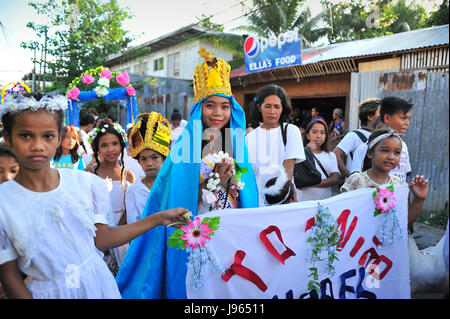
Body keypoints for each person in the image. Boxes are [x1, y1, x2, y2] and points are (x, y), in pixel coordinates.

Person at [0, 92, 190, 299]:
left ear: (59, 137)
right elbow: (9, 274)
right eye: (26, 135)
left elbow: (103, 239)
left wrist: (158, 218)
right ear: (8, 138)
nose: (37, 145)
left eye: (47, 136)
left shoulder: (84, 183)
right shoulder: (4, 202)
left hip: (96, 287)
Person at [115, 47, 259, 299]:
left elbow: (244, 191)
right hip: (196, 226)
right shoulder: (187, 145)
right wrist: (207, 186)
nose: (217, 113)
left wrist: (229, 181)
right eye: (210, 105)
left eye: (225, 106)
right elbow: (179, 195)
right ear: (199, 108)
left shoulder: (235, 141)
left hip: (229, 225)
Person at [341, 130, 428, 228]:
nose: (391, 157)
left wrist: (419, 199)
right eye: (385, 151)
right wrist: (367, 198)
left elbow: (405, 222)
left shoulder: (398, 184)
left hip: (388, 241)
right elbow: (342, 213)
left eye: (397, 153)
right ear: (370, 153)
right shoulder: (357, 180)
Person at [85, 120, 135, 275]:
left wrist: (118, 232)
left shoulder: (128, 175)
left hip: (121, 233)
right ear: (97, 148)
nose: (111, 149)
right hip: (97, 232)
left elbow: (130, 208)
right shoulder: (90, 174)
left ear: (121, 146)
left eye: (115, 144)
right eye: (104, 145)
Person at [246, 84, 305, 205]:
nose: (272, 111)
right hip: (257, 199)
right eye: (267, 106)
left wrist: (283, 195)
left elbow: (288, 167)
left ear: (283, 108)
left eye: (277, 106)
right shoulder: (249, 137)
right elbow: (249, 174)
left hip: (284, 198)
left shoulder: (291, 131)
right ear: (259, 107)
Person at [126, 112, 171, 224]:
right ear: (139, 162)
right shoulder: (134, 191)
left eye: (154, 157)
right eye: (143, 159)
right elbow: (133, 226)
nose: (149, 163)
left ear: (164, 159)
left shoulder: (174, 184)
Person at [334, 98, 381, 178]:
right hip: (363, 188)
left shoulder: (383, 135)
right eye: (381, 112)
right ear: (370, 116)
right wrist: (350, 177)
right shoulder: (354, 135)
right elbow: (336, 154)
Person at [298, 120, 340, 201]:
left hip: (325, 203)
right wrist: (307, 150)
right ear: (307, 135)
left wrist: (308, 183)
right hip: (303, 203)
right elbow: (299, 179)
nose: (319, 136)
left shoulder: (331, 155)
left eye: (322, 133)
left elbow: (335, 179)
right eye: (314, 132)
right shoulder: (300, 155)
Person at [378, 96, 412, 183]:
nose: (407, 123)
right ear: (387, 118)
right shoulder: (370, 145)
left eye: (409, 119)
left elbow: (406, 174)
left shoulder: (403, 145)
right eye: (403, 118)